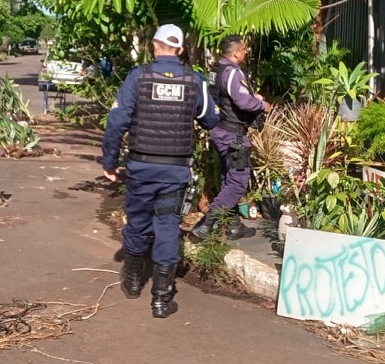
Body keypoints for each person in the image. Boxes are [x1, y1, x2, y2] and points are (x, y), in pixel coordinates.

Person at [101, 24, 218, 318]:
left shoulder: (138, 77)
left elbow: (117, 121)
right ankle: (162, 300)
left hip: (141, 167)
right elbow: (211, 119)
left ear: (154, 46)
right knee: (167, 227)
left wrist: (110, 161)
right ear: (179, 50)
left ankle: (132, 282)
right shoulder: (194, 81)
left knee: (138, 221)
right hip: (175, 171)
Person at [191, 35, 270, 241]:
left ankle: (234, 225)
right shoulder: (232, 72)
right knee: (237, 182)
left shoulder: (215, 70)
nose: (246, 52)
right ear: (236, 52)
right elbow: (243, 101)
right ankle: (205, 225)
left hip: (219, 130)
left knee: (229, 178)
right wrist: (262, 104)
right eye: (244, 49)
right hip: (233, 135)